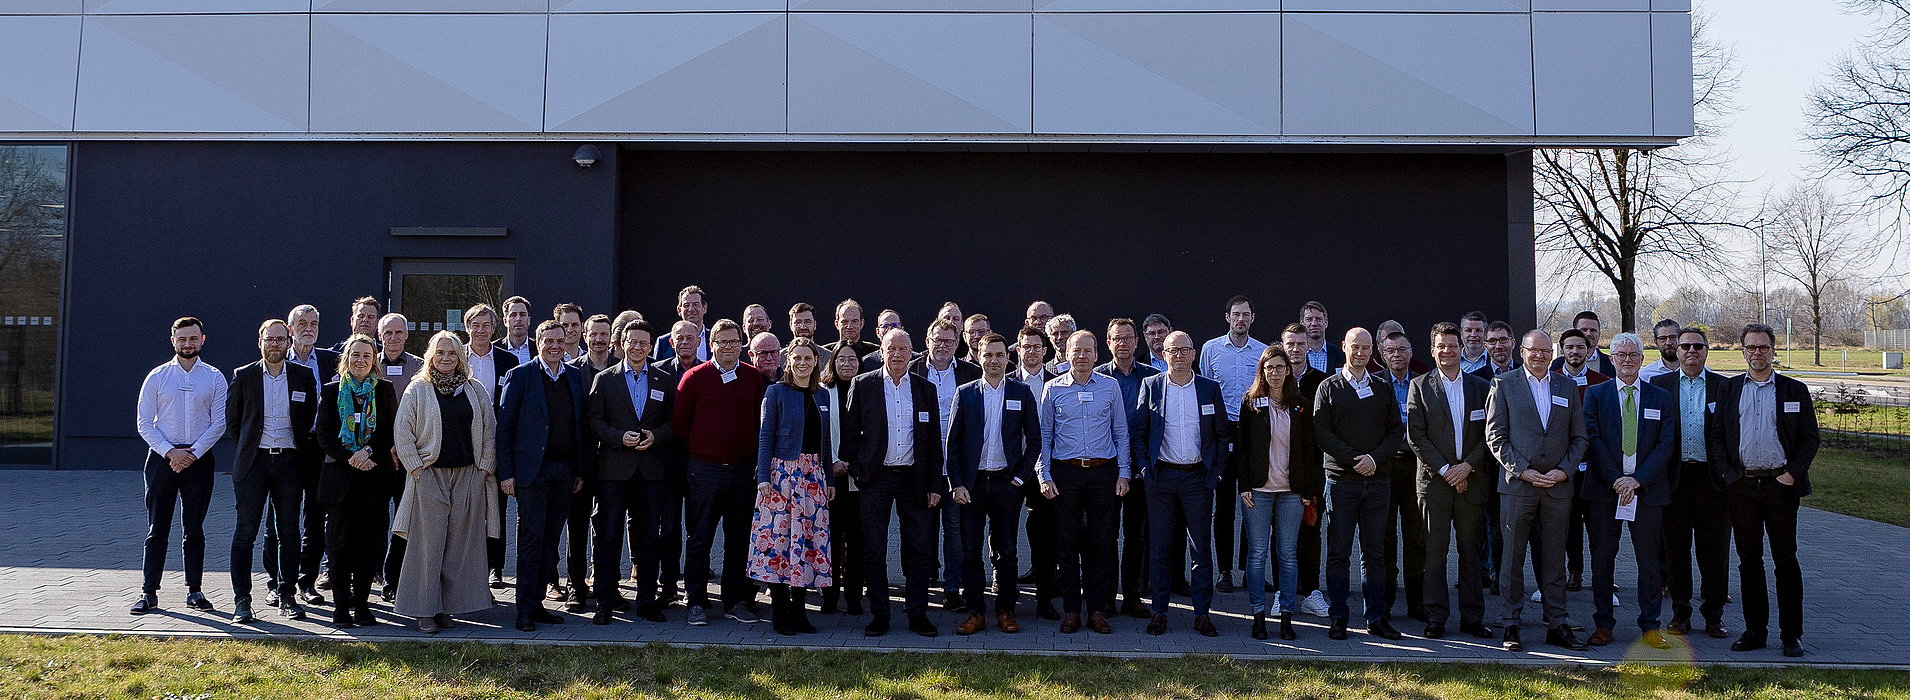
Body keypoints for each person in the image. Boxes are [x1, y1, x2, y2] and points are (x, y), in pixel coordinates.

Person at [1710, 323, 1818, 658]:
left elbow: (1810, 438)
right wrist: (1730, 476)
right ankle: (1755, 631)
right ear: (1741, 350)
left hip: (1780, 487)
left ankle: (1791, 635)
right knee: (1749, 561)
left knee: (1786, 560)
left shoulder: (1793, 390)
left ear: (1774, 350)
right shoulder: (1728, 390)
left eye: (1764, 347)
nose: (1757, 353)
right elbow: (1716, 436)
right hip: (1742, 487)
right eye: (1751, 347)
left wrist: (1793, 474)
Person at [1487, 330, 1589, 652]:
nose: (1540, 356)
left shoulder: (1567, 386)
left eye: (1546, 351)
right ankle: (1511, 624)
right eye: (1534, 350)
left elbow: (1580, 438)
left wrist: (1564, 471)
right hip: (1518, 487)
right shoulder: (1504, 385)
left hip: (1558, 489)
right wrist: (1522, 470)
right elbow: (1495, 436)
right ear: (1522, 352)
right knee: (1512, 559)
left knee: (1554, 560)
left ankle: (1557, 624)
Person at [391, 331, 499, 634]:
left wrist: (485, 469)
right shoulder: (418, 389)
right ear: (430, 356)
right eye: (440, 353)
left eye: (452, 353)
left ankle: (447, 607)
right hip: (429, 475)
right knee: (428, 545)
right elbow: (403, 434)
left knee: (460, 546)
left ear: (461, 357)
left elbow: (489, 431)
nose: (446, 358)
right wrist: (415, 470)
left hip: (468, 474)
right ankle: (423, 610)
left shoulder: (474, 389)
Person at [841, 328, 946, 637]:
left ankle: (918, 614)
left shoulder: (924, 389)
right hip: (877, 480)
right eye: (892, 348)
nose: (898, 354)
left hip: (915, 479)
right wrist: (861, 474)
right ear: (882, 351)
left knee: (918, 549)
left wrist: (935, 485)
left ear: (912, 352)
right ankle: (880, 614)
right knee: (874, 548)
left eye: (903, 348)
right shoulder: (863, 385)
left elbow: (933, 443)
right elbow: (849, 437)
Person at [1580, 332, 1677, 649]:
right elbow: (1591, 440)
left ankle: (1651, 627)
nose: (1627, 360)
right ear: (1611, 358)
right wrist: (1617, 480)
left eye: (1633, 354)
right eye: (1620, 355)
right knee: (1602, 561)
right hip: (1604, 492)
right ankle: (1603, 624)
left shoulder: (1659, 397)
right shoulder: (1596, 395)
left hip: (1646, 491)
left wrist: (1636, 480)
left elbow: (1666, 445)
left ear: (1642, 358)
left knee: (1649, 562)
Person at [1132, 331, 1227, 637]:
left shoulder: (1209, 389)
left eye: (1185, 350)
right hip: (1162, 478)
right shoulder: (1152, 386)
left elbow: (1223, 435)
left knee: (1200, 549)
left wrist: (1215, 475)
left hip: (1198, 478)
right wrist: (1146, 469)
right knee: (1159, 548)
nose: (1179, 355)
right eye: (1172, 350)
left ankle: (1202, 614)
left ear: (1194, 353)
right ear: (1164, 355)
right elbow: (1139, 432)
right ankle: (1159, 612)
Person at [673, 318, 768, 626]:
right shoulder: (694, 378)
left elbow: (760, 423)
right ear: (711, 345)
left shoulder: (753, 378)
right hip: (705, 471)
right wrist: (703, 453)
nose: (729, 348)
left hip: (742, 472)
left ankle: (735, 601)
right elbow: (680, 425)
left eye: (735, 342)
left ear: (742, 346)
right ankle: (696, 602)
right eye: (723, 342)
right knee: (699, 538)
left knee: (738, 540)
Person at [1313, 328, 1405, 641]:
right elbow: (1322, 432)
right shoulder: (1329, 387)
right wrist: (1355, 459)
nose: (1361, 352)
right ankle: (1338, 617)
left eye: (1366, 347)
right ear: (1344, 347)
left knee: (1375, 554)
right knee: (1339, 553)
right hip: (1341, 482)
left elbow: (1395, 432)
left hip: (1378, 483)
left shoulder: (1382, 386)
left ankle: (1376, 618)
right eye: (1355, 346)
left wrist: (1374, 460)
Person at [497, 320, 589, 632]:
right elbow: (505, 428)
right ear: (538, 343)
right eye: (548, 341)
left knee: (551, 540)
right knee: (531, 539)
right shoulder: (519, 376)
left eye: (560, 341)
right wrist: (506, 473)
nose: (554, 346)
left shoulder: (575, 377)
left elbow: (580, 428)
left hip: (564, 472)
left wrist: (579, 470)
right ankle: (523, 609)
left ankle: (538, 604)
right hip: (531, 472)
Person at [132, 317, 228, 616]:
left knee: (194, 529)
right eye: (182, 339)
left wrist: (193, 453)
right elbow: (144, 422)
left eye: (193, 339)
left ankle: (195, 591)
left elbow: (219, 422)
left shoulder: (214, 378)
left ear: (203, 340)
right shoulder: (157, 377)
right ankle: (149, 593)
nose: (188, 344)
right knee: (157, 528)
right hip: (162, 460)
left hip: (198, 461)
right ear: (173, 341)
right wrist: (170, 452)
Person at [225, 319, 319, 623]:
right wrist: (251, 450)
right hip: (255, 463)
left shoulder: (303, 377)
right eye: (270, 339)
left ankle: (287, 595)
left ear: (288, 341)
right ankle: (242, 600)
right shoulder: (245, 376)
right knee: (245, 533)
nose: (275, 344)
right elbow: (234, 422)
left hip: (290, 462)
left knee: (289, 532)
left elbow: (307, 417)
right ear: (260, 342)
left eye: (280, 339)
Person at [1036, 330, 1130, 635]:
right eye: (1076, 351)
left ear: (1096, 354)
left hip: (1104, 473)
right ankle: (1072, 610)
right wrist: (1044, 475)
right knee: (1066, 544)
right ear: (1066, 353)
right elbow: (1044, 436)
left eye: (1088, 351)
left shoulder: (1110, 387)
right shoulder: (1052, 389)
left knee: (1100, 545)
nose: (1082, 356)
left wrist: (1124, 473)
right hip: (1066, 474)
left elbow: (1121, 433)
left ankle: (1097, 610)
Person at [946, 333, 1040, 635]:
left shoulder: (1021, 392)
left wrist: (1019, 478)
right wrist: (957, 483)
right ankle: (975, 611)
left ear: (1008, 357)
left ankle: (1006, 610)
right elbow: (953, 444)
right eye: (988, 355)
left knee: (1007, 551)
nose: (994, 360)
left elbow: (1035, 441)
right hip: (971, 486)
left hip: (1006, 484)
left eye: (999, 355)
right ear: (979, 356)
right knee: (970, 551)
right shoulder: (966, 392)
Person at [1405, 322, 1494, 640]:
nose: (1447, 351)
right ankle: (1436, 616)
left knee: (1471, 551)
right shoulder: (1420, 386)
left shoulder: (1481, 387)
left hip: (1471, 481)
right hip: (1435, 483)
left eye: (1452, 345)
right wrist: (1447, 471)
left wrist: (1467, 467)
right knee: (1435, 551)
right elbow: (1416, 436)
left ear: (1462, 349)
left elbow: (1490, 435)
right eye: (1441, 346)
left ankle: (1472, 618)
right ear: (1433, 350)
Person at [586, 319, 677, 624]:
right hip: (614, 470)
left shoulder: (663, 380)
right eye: (631, 341)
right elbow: (594, 422)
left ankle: (647, 601)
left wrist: (657, 436)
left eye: (643, 343)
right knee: (608, 535)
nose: (637, 347)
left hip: (651, 472)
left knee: (650, 538)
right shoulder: (605, 379)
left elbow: (673, 423)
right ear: (620, 343)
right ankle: (604, 600)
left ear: (652, 346)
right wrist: (616, 437)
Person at [749, 337, 838, 636]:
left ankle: (800, 612)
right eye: (797, 358)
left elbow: (826, 443)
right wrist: (763, 477)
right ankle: (779, 612)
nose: (802, 363)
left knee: (807, 544)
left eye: (808, 358)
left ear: (816, 362)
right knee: (779, 544)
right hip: (782, 476)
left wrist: (829, 478)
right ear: (789, 361)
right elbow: (765, 436)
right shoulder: (775, 393)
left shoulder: (822, 395)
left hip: (813, 477)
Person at [1649, 326, 1731, 640]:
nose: (1691, 351)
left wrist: (1728, 472)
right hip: (1674, 480)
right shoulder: (1660, 386)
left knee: (1715, 551)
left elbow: (1730, 434)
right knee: (1675, 551)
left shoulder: (1724, 386)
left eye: (1698, 346)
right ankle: (1680, 614)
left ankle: (1714, 616)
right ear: (1676, 350)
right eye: (1685, 346)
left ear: (1707, 350)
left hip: (1712, 481)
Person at [1235, 345, 1320, 641]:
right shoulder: (1251, 403)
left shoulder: (1300, 404)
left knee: (1287, 555)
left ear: (1288, 371)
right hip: (1257, 490)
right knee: (1257, 555)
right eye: (1269, 368)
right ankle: (1258, 615)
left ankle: (1286, 616)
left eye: (1279, 368)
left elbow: (1309, 452)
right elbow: (1242, 449)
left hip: (1291, 492)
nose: (1274, 373)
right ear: (1262, 371)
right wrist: (1243, 485)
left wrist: (1308, 490)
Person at [315, 334, 397, 628]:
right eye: (355, 355)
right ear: (346, 359)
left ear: (374, 360)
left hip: (374, 478)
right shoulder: (331, 390)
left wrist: (368, 451)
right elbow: (323, 433)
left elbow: (389, 429)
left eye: (366, 355)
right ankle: (340, 608)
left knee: (366, 546)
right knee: (338, 547)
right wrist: (350, 456)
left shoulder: (384, 390)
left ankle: (362, 607)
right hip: (340, 480)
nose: (360, 360)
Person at [911, 319, 981, 612]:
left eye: (948, 342)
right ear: (927, 341)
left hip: (955, 468)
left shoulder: (971, 373)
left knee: (954, 530)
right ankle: (919, 589)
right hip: (921, 466)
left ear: (958, 344)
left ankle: (953, 588)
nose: (942, 346)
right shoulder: (914, 369)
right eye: (937, 340)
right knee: (919, 530)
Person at [1199, 295, 1265, 593]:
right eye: (1236, 314)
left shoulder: (1263, 352)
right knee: (1224, 506)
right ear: (1227, 317)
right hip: (1222, 433)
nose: (1241, 319)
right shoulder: (1211, 349)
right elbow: (1204, 392)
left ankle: (1252, 569)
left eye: (1246, 315)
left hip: (1252, 432)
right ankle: (1224, 570)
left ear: (1253, 318)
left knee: (1254, 504)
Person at [1096, 318, 1161, 619]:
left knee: (1137, 535)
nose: (1122, 343)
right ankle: (1106, 597)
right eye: (1116, 338)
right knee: (1105, 534)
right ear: (1108, 344)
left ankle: (1133, 596)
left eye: (1128, 338)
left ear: (1138, 342)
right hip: (1105, 467)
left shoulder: (1152, 377)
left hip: (1140, 467)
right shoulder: (1095, 378)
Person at [557, 313, 618, 610]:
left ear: (612, 338)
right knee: (577, 527)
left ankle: (609, 586)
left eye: (604, 334)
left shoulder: (620, 371)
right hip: (579, 463)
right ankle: (576, 586)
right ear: (585, 336)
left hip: (613, 463)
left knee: (608, 527)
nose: (599, 339)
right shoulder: (571, 371)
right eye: (593, 334)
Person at [277, 305, 335, 604]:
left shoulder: (330, 360)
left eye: (314, 322)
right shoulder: (275, 361)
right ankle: (277, 584)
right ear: (290, 328)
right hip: (285, 450)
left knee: (315, 518)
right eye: (302, 323)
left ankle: (307, 582)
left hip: (318, 449)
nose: (309, 328)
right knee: (281, 520)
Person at [1277, 323, 1330, 617]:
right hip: (1276, 471)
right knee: (1280, 535)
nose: (1295, 349)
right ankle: (1281, 594)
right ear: (1282, 346)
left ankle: (1311, 592)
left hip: (1312, 473)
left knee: (1310, 532)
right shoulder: (1271, 381)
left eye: (1300, 344)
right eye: (1290, 344)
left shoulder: (1322, 382)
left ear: (1308, 346)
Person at [462, 303, 514, 590]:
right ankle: (466, 565)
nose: (481, 330)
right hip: (461, 443)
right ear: (467, 327)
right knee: (464, 508)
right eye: (475, 325)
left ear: (494, 328)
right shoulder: (456, 357)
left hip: (495, 443)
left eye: (486, 325)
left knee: (496, 508)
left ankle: (496, 567)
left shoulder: (507, 361)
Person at [1375, 330, 1426, 623]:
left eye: (1402, 350)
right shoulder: (1375, 383)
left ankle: (1417, 602)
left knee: (1415, 537)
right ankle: (1386, 600)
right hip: (1384, 466)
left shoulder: (1422, 383)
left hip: (1416, 465)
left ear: (1410, 352)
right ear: (1382, 354)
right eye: (1391, 350)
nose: (1397, 355)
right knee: (1384, 537)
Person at [1554, 327, 1609, 593]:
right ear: (1561, 351)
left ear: (1589, 351)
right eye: (1569, 347)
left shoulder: (1602, 381)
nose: (1575, 352)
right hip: (1566, 467)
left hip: (1596, 468)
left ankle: (1603, 576)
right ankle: (1574, 571)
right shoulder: (1551, 380)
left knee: (1600, 527)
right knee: (1570, 525)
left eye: (1580, 347)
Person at [1012, 325, 1062, 620]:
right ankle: (1005, 595)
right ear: (1017, 351)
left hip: (1045, 471)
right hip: (1010, 470)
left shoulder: (1058, 384)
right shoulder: (1004, 382)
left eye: (1036, 347)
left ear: (1045, 351)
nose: (1031, 351)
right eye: (1025, 346)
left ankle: (1045, 599)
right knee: (1003, 533)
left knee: (1046, 536)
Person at [375, 312, 424, 601]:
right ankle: (372, 572)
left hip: (410, 457)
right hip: (377, 456)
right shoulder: (368, 362)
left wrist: (404, 446)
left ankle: (395, 578)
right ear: (379, 336)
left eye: (398, 333)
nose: (393, 338)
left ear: (406, 335)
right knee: (375, 519)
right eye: (387, 333)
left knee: (405, 522)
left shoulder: (419, 367)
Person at [818, 345, 866, 616]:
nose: (847, 364)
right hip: (831, 479)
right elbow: (820, 434)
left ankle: (855, 598)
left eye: (852, 359)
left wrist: (854, 465)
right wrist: (833, 462)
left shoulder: (869, 389)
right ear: (832, 363)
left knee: (858, 541)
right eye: (841, 359)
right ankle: (830, 596)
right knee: (830, 540)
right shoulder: (823, 392)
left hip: (860, 480)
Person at [1548, 311, 1616, 377]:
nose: (1588, 334)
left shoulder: (1612, 363)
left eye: (1593, 330)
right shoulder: (1558, 364)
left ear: (1599, 334)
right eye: (1584, 330)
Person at [655, 285, 710, 362]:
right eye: (686, 305)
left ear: (704, 308)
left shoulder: (715, 340)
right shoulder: (663, 342)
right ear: (679, 310)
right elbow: (656, 371)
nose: (691, 309)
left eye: (696, 304)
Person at [824, 299, 879, 373]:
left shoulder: (875, 353)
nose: (849, 326)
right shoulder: (825, 353)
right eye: (845, 322)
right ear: (836, 324)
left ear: (862, 323)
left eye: (854, 321)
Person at [1298, 301, 1345, 374]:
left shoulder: (1340, 355)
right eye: (1309, 319)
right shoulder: (1296, 354)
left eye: (1318, 319)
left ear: (1326, 322)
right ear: (1302, 323)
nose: (1314, 324)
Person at [1639, 319, 1683, 384]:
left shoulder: (1693, 372)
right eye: (1663, 338)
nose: (1668, 342)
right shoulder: (1645, 375)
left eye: (1672, 337)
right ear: (1656, 342)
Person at [499, 296, 536, 366]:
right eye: (513, 315)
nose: (518, 319)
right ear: (505, 321)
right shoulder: (494, 349)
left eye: (522, 315)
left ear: (529, 320)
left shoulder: (539, 349)